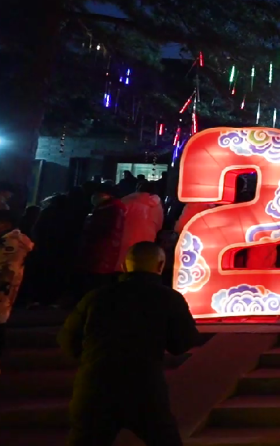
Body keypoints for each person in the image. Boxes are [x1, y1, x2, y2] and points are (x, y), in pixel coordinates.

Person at [59, 241, 198, 445]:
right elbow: (182, 343)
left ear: (124, 266)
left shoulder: (96, 297)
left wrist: (93, 359)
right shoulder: (169, 299)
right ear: (160, 266)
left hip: (94, 385)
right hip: (145, 386)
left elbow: (68, 341)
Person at [0, 210, 34, 376]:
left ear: (5, 224)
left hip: (1, 291)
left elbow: (7, 270)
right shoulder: (6, 241)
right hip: (2, 291)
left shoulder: (12, 244)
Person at [80, 185, 127, 295]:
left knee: (97, 283)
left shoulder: (108, 210)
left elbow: (100, 231)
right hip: (104, 253)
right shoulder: (111, 208)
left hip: (101, 252)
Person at [120, 181, 164, 263]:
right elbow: (159, 224)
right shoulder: (157, 203)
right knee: (143, 261)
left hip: (126, 236)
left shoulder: (127, 200)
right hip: (149, 237)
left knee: (125, 260)